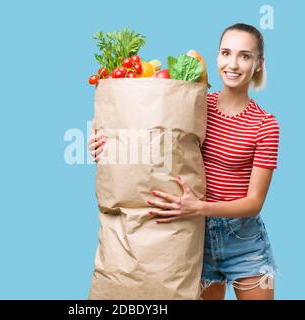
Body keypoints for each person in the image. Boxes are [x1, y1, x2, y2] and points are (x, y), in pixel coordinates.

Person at [88, 23, 279, 300]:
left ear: (259, 63)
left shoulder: (265, 124)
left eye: (245, 56)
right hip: (193, 238)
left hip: (244, 241)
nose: (233, 64)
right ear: (217, 58)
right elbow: (151, 150)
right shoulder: (192, 104)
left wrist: (198, 206)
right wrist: (108, 147)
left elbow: (254, 202)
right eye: (226, 53)